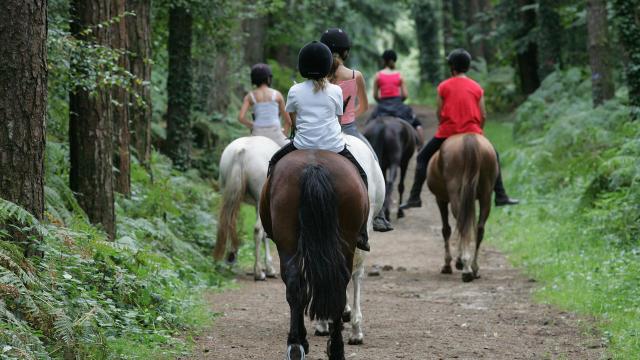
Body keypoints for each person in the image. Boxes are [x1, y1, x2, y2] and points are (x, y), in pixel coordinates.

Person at [267, 41, 371, 251]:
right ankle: (362, 232)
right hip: (334, 145)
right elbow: (339, 119)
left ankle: (270, 224)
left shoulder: (295, 90)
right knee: (362, 176)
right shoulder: (335, 91)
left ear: (303, 66)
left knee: (273, 166)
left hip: (301, 145)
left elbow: (294, 121)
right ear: (326, 66)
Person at [400, 49, 519, 210]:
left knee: (422, 157)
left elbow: (439, 112)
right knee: (494, 156)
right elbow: (483, 114)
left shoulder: (443, 86)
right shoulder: (477, 87)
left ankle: (415, 197)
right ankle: (501, 195)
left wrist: (445, 124)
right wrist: (478, 131)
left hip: (448, 132)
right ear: (468, 66)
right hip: (473, 131)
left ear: (451, 66)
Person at [320, 28, 393, 232]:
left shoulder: (318, 77)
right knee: (373, 161)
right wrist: (349, 116)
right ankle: (378, 214)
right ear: (346, 53)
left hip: (323, 130)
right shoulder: (354, 75)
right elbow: (365, 106)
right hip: (349, 129)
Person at [371, 49, 425, 144]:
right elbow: (405, 95)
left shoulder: (378, 75)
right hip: (398, 105)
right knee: (417, 124)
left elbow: (375, 96)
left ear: (384, 61)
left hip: (383, 105)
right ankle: (420, 144)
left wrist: (382, 102)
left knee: (369, 123)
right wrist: (399, 101)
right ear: (394, 60)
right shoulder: (399, 75)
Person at [238, 63, 291, 147]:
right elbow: (288, 121)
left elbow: (241, 118)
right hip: (275, 133)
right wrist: (284, 135)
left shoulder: (250, 96)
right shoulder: (277, 94)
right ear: (268, 78)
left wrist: (253, 125)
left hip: (258, 133)